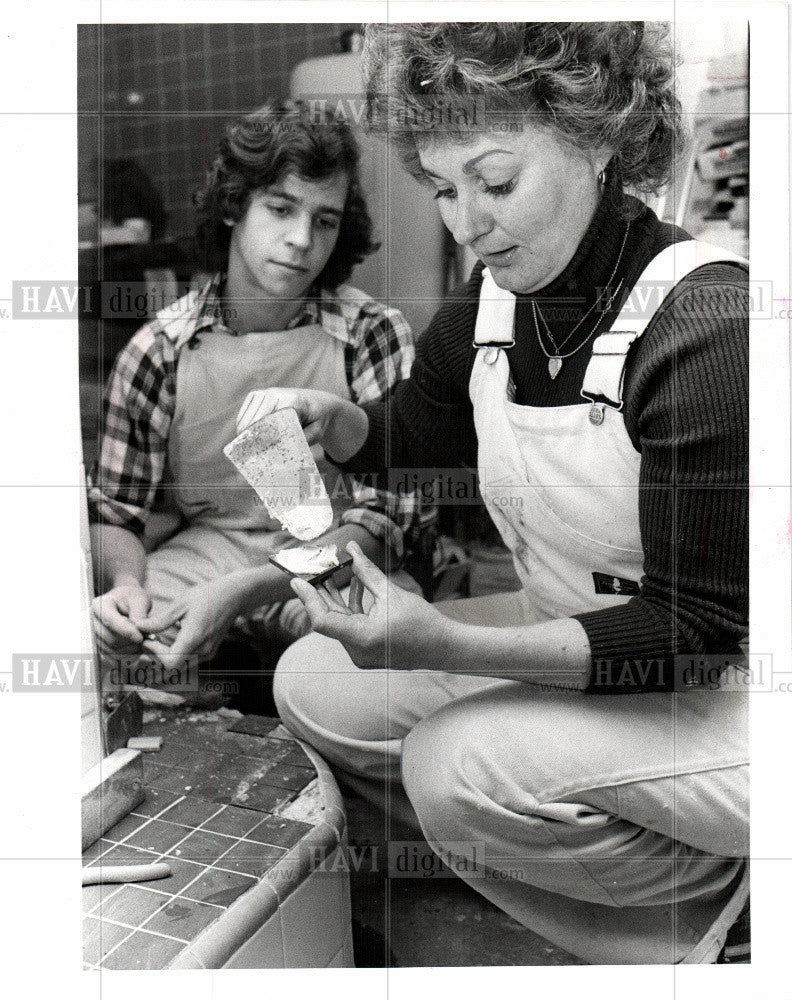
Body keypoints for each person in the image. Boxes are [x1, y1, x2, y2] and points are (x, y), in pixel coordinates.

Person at [238, 24, 750, 965]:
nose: (465, 223)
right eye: (441, 188)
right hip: (582, 631)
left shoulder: (704, 327)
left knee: (455, 766)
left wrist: (444, 643)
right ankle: (550, 855)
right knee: (313, 680)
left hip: (729, 687)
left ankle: (726, 905)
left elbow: (697, 634)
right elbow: (412, 436)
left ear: (598, 140)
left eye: (496, 181)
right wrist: (342, 424)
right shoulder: (496, 300)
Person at [88, 101, 420, 679]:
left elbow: (390, 523)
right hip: (210, 555)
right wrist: (123, 587)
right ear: (233, 208)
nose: (300, 240)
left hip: (338, 558)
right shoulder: (159, 351)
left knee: (369, 675)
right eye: (281, 208)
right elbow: (116, 514)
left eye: (325, 220)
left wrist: (250, 591)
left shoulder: (373, 335)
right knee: (126, 657)